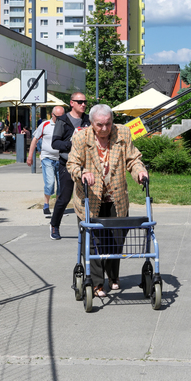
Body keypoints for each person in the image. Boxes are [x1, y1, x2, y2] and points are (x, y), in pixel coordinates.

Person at [66, 104, 148, 297]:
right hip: (89, 198)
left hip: (115, 197)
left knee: (116, 240)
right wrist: (83, 173)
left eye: (108, 124)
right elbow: (72, 164)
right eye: (99, 125)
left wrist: (140, 172)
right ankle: (95, 282)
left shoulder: (123, 133)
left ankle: (113, 276)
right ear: (92, 123)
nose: (104, 129)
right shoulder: (80, 137)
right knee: (92, 241)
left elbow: (133, 159)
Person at [50, 92, 91, 240]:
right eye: (80, 102)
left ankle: (89, 228)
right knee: (65, 197)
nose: (83, 104)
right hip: (67, 164)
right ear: (72, 103)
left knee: (89, 197)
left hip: (86, 165)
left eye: (85, 102)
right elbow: (55, 143)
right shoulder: (63, 120)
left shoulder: (89, 120)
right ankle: (54, 225)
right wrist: (71, 144)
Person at [27, 106, 65, 216]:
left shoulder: (65, 125)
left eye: (62, 116)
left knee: (61, 185)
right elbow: (35, 139)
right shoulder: (45, 125)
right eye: (58, 116)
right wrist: (30, 156)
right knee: (50, 183)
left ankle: (57, 207)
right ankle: (46, 204)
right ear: (52, 115)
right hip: (47, 158)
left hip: (62, 159)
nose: (60, 119)